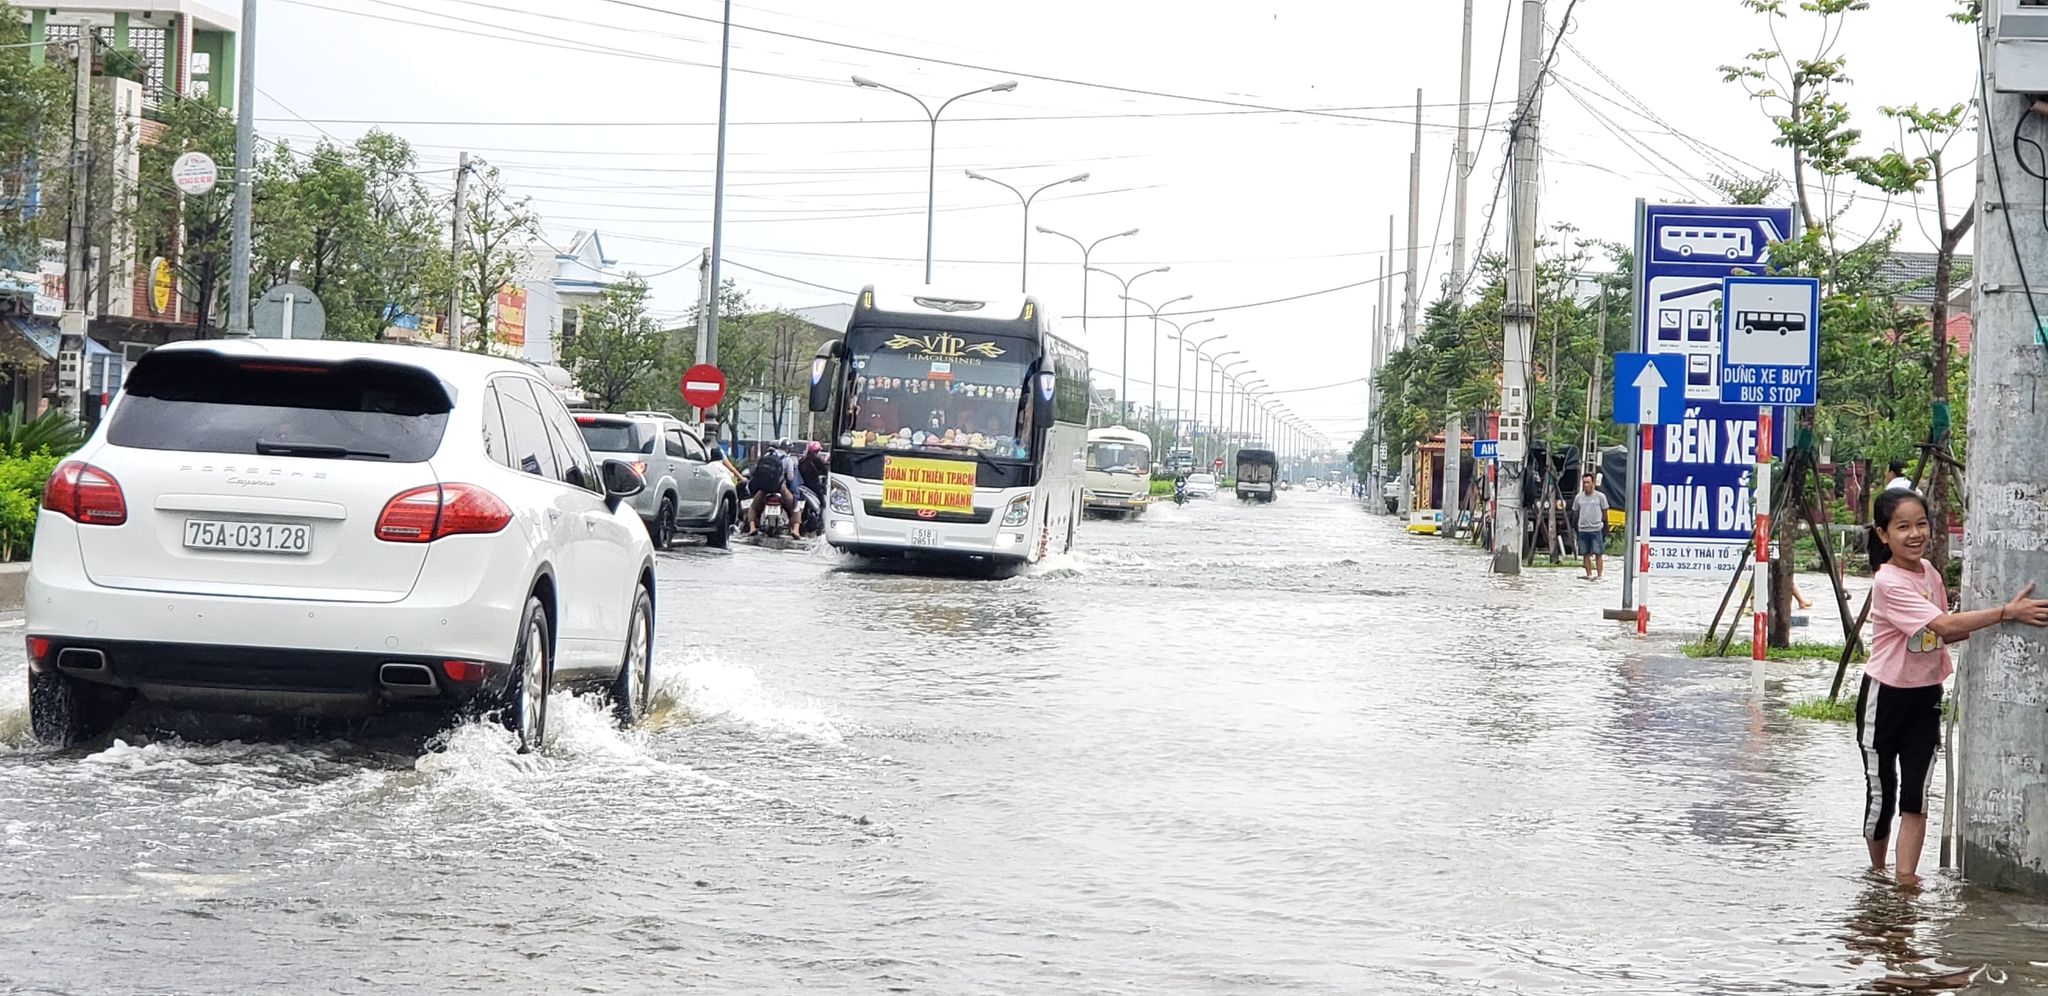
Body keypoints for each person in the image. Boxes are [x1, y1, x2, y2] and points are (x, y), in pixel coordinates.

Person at [1857, 488, 2048, 881]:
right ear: (1882, 535)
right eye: (1903, 527)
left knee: (1917, 798)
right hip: (1884, 698)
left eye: (1921, 524)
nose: (1915, 534)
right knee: (1882, 796)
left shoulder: (1930, 573)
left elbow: (1943, 634)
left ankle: (1905, 885)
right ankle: (1877, 878)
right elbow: (1942, 625)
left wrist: (2002, 620)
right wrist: (2004, 612)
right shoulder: (1887, 582)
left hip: (1926, 696)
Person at [745, 445, 797, 538]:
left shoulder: (766, 457)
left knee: (753, 507)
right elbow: (790, 477)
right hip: (780, 488)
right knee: (795, 507)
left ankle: (752, 527)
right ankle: (796, 530)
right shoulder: (788, 460)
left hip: (764, 489)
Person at [1572, 473, 1609, 580]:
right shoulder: (1579, 497)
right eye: (1584, 482)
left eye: (1588, 482)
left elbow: (1605, 512)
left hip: (1596, 529)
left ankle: (1600, 575)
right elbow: (1575, 512)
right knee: (1585, 553)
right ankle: (1588, 574)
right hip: (1583, 529)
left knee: (1598, 553)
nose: (1586, 485)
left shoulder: (1600, 497)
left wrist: (1603, 525)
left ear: (1592, 483)